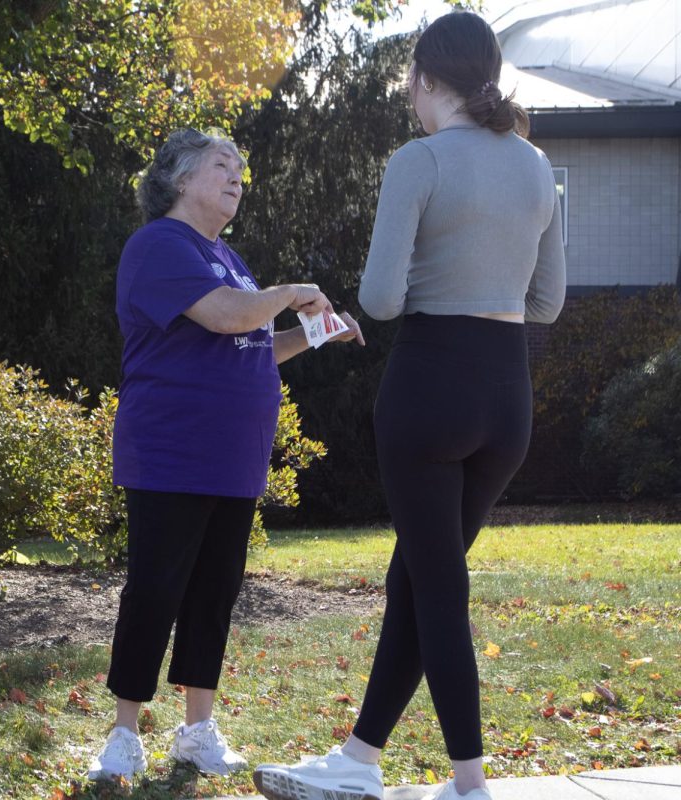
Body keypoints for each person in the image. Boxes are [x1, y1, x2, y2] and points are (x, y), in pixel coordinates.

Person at [253, 11, 566, 800]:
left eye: (411, 86)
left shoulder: (418, 159)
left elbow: (382, 299)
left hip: (431, 386)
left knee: (436, 585)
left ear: (427, 79)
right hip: (508, 396)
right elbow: (550, 302)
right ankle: (360, 756)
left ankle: (469, 782)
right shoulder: (536, 165)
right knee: (419, 577)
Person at [87, 128, 364, 782]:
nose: (237, 177)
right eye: (221, 166)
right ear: (181, 179)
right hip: (172, 451)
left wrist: (314, 332)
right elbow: (223, 318)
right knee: (156, 589)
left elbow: (251, 345)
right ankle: (124, 733)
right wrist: (290, 291)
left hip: (232, 458)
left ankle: (196, 730)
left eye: (240, 169)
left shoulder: (230, 259)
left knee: (213, 594)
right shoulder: (159, 244)